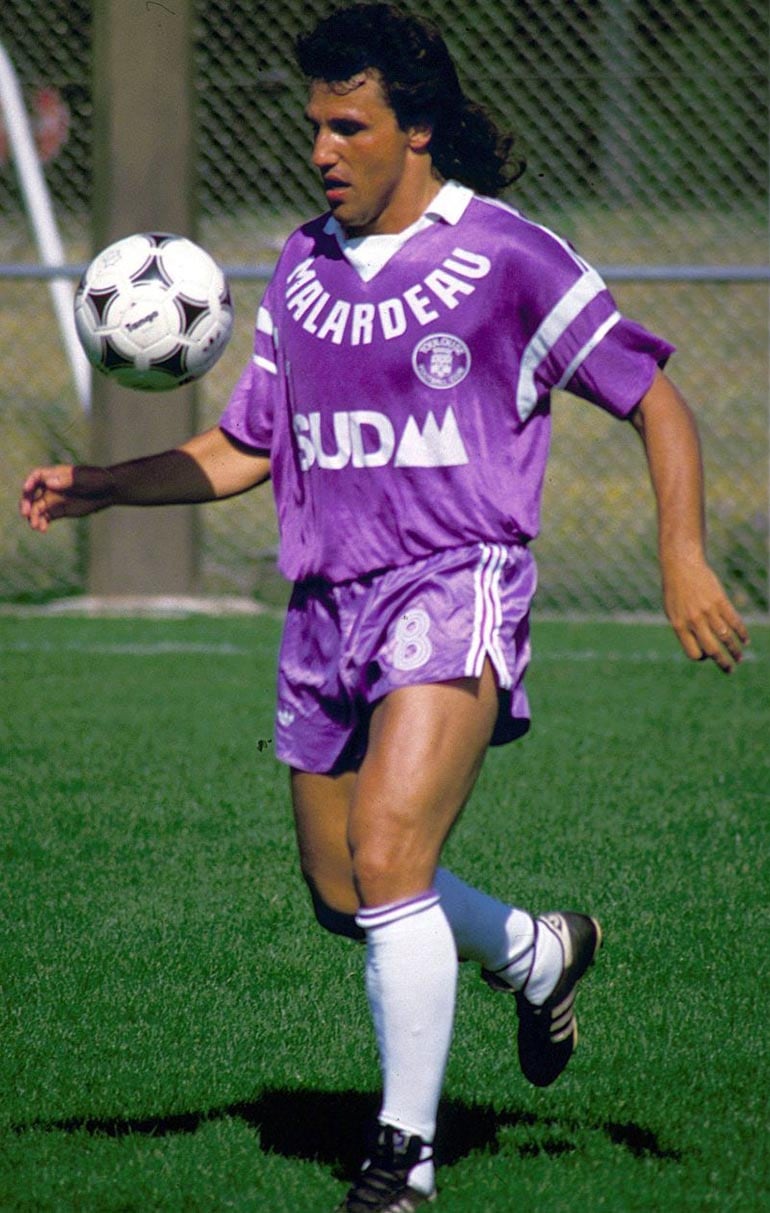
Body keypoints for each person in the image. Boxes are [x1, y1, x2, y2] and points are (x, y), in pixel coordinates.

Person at [21, 5, 749, 1210]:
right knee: (342, 891)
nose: (320, 149)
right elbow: (246, 444)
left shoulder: (508, 253)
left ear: (415, 129)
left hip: (452, 578)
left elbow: (652, 397)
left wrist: (681, 552)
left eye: (345, 125)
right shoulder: (301, 270)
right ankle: (533, 949)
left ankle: (398, 1161)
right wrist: (105, 486)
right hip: (324, 603)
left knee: (390, 855)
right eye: (313, 125)